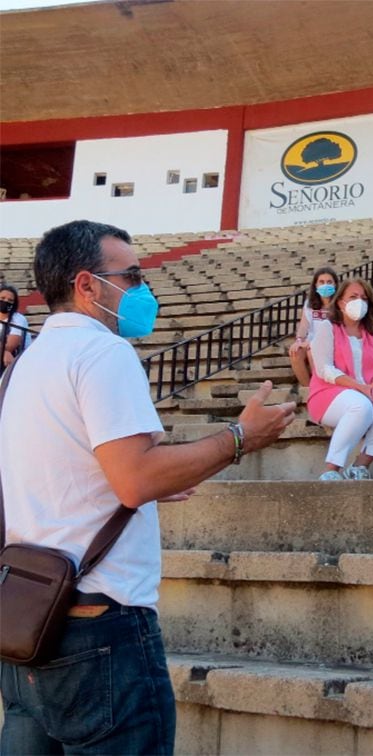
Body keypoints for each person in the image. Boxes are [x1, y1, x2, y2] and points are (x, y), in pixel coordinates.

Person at [0, 220, 295, 754]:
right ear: (87, 285)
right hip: (98, 627)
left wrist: (158, 475)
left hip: (25, 620)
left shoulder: (24, 365)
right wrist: (240, 437)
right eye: (132, 276)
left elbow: (83, 471)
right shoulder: (102, 353)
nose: (143, 289)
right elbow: (136, 479)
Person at [307, 278, 373, 481]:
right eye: (353, 297)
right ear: (340, 302)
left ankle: (360, 466)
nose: (358, 301)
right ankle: (331, 469)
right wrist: (359, 387)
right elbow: (324, 369)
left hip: (368, 391)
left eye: (363, 298)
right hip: (329, 394)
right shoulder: (327, 328)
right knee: (361, 406)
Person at [289, 267, 339, 386]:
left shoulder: (340, 303)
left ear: (336, 284)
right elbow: (303, 326)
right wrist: (299, 341)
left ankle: (320, 386)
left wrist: (313, 343)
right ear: (315, 285)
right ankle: (308, 388)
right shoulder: (310, 304)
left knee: (313, 351)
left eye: (329, 282)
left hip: (333, 341)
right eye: (321, 282)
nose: (325, 285)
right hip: (311, 340)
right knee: (295, 353)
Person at [0, 284, 32, 368]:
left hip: (20, 359)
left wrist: (5, 351)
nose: (5, 301)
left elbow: (11, 345)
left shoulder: (18, 319)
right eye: (2, 298)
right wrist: (4, 351)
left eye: (10, 300)